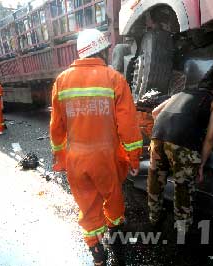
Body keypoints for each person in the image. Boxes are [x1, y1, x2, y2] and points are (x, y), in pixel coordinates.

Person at [50, 28, 143, 266]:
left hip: (75, 159)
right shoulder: (114, 78)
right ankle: (116, 241)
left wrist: (60, 159)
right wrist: (133, 158)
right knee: (112, 201)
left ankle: (97, 254)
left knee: (87, 206)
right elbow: (128, 126)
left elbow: (56, 128)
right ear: (101, 49)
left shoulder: (61, 81)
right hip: (105, 158)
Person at [147, 79, 213, 235]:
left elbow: (155, 112)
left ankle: (154, 218)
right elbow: (210, 138)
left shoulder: (180, 94)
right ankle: (182, 229)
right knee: (183, 187)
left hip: (158, 138)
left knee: (156, 180)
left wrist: (168, 130)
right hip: (184, 144)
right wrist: (201, 165)